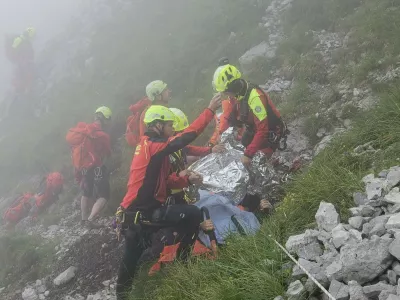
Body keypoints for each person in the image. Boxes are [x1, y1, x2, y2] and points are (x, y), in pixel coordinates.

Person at [116, 95, 221, 299]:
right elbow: (185, 138)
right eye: (169, 125)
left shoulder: (152, 149)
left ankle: (126, 293)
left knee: (133, 257)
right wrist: (209, 111)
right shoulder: (153, 147)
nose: (172, 129)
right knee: (191, 215)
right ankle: (181, 262)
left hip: (138, 213)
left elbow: (166, 181)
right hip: (141, 213)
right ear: (157, 126)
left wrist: (187, 180)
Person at [212, 64, 288, 168]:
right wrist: (220, 134)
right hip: (254, 128)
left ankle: (274, 156)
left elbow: (263, 130)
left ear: (232, 88)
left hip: (272, 132)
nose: (226, 95)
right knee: (244, 142)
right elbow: (234, 116)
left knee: (256, 161)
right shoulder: (239, 94)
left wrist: (248, 154)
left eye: (226, 92)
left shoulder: (255, 97)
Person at [66, 106, 112, 228]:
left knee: (86, 193)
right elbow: (108, 152)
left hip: (83, 168)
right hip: (97, 168)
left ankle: (83, 219)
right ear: (104, 119)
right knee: (104, 195)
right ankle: (91, 220)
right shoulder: (102, 135)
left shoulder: (84, 132)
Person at [169, 107, 225, 204]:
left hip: (180, 183)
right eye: (179, 132)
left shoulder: (175, 144)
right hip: (170, 193)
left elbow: (189, 149)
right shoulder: (164, 152)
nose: (181, 135)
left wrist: (211, 150)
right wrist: (182, 176)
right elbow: (164, 180)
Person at [126, 80, 172, 148]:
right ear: (158, 96)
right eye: (165, 90)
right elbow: (144, 141)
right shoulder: (148, 115)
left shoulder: (162, 109)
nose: (169, 91)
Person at [4, 27, 36, 94]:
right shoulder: (24, 42)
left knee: (20, 70)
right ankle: (24, 88)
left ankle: (18, 87)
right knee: (25, 70)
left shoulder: (18, 38)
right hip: (17, 58)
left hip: (14, 57)